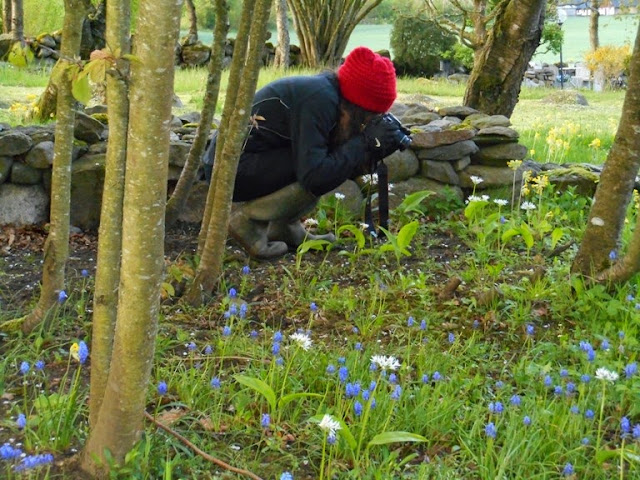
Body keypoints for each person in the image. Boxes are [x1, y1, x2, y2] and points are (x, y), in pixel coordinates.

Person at [204, 46, 406, 259]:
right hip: (229, 168)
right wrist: (362, 143)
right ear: (358, 106)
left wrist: (367, 147)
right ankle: (249, 224)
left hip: (248, 160)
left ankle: (286, 229)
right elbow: (314, 176)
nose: (369, 122)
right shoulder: (319, 100)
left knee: (329, 160)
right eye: (371, 116)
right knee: (321, 167)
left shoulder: (329, 95)